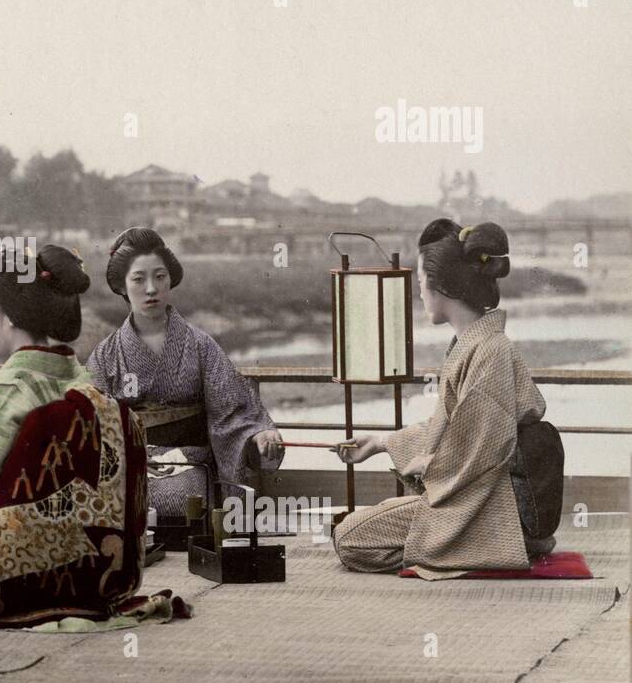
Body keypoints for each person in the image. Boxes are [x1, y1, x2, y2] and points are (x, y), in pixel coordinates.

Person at [0, 244, 186, 628]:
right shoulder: (83, 381)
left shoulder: (7, 388)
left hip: (18, 572)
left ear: (10, 316)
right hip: (96, 572)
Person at [333, 220, 548, 579]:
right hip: (478, 493)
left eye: (420, 283)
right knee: (367, 523)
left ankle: (491, 545)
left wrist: (430, 465)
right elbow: (452, 430)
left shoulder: (490, 351)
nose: (420, 293)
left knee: (349, 537)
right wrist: (381, 443)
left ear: (442, 285)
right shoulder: (476, 344)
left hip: (494, 505)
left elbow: (480, 447)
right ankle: (470, 545)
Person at [86, 227, 284, 520]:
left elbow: (232, 408)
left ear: (170, 279)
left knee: (181, 497)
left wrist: (258, 432)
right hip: (132, 462)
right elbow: (96, 426)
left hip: (192, 461)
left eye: (160, 276)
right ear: (121, 286)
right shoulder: (105, 355)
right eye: (139, 279)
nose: (151, 288)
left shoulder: (199, 344)